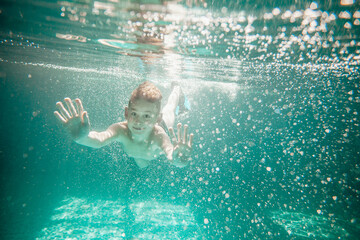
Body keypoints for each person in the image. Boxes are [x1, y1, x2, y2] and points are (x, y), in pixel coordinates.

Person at [54, 81, 193, 168]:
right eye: (134, 114)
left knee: (170, 109)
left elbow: (170, 153)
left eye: (146, 116)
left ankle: (177, 88)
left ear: (156, 118)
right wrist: (82, 137)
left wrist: (179, 159)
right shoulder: (121, 129)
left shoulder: (159, 135)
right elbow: (99, 139)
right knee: (142, 164)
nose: (138, 121)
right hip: (140, 155)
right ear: (126, 113)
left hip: (161, 126)